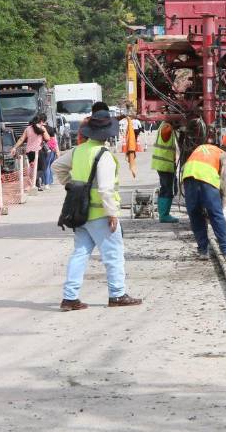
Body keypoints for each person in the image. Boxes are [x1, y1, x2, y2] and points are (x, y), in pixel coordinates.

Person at [53, 110, 142, 311]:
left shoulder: (78, 151)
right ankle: (117, 294)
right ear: (107, 134)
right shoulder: (104, 156)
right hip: (100, 215)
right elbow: (105, 188)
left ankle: (70, 298)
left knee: (79, 254)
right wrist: (112, 213)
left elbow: (56, 166)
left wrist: (72, 185)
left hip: (80, 213)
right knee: (114, 255)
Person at [182, 143, 226, 262]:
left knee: (195, 214)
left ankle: (203, 251)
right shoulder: (225, 156)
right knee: (216, 215)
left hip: (188, 177)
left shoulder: (203, 148)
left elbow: (183, 167)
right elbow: (224, 182)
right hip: (207, 180)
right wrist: (224, 206)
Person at [10, 115, 50, 190]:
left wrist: (14, 147)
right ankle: (34, 183)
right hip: (38, 151)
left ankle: (35, 184)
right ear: (41, 121)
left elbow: (21, 139)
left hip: (29, 152)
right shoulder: (41, 127)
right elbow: (47, 138)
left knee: (32, 167)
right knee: (41, 168)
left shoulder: (28, 128)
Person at [151, 122, 179, 223]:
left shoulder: (165, 125)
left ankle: (164, 214)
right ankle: (164, 215)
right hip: (164, 164)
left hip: (164, 164)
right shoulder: (166, 127)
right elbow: (167, 132)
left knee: (167, 188)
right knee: (167, 189)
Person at [43, 123, 60, 189]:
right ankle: (50, 181)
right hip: (51, 148)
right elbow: (54, 141)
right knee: (49, 165)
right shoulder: (50, 128)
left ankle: (46, 181)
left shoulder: (39, 128)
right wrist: (57, 151)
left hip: (44, 149)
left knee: (46, 166)